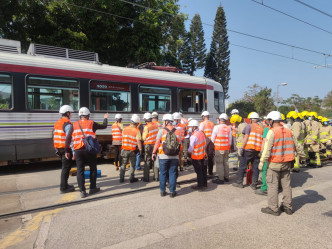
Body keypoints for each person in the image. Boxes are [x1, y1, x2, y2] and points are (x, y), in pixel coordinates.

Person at [259, 111, 305, 216]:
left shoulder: (272, 132)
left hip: (274, 164)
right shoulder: (289, 131)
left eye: (268, 120)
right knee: (286, 186)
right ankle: (287, 207)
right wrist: (302, 157)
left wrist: (262, 163)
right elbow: (298, 146)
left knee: (272, 186)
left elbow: (267, 150)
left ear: (271, 121)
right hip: (287, 164)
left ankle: (273, 208)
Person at [67, 107, 109, 198]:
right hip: (89, 150)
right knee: (93, 168)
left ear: (80, 115)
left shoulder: (74, 125)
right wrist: (105, 117)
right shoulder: (92, 123)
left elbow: (68, 139)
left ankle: (82, 191)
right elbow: (104, 126)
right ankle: (92, 188)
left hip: (78, 150)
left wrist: (67, 150)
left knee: (80, 170)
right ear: (88, 115)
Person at [232, 112, 263, 189]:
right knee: (255, 168)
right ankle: (254, 185)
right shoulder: (261, 128)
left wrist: (242, 147)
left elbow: (245, 137)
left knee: (242, 166)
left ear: (251, 120)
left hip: (248, 149)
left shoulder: (248, 126)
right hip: (257, 150)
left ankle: (240, 183)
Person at [152, 114, 181, 198]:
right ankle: (172, 192)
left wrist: (153, 153)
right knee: (172, 173)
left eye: (164, 121)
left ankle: (162, 191)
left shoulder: (162, 131)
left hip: (163, 156)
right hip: (174, 156)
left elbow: (157, 143)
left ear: (166, 121)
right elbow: (180, 145)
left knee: (163, 173)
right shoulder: (178, 131)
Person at [54, 105, 75, 194]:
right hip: (66, 149)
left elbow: (55, 137)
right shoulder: (67, 124)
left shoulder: (58, 123)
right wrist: (72, 151)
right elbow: (69, 139)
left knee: (66, 167)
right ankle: (63, 188)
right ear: (67, 113)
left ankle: (65, 184)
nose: (71, 115)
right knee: (66, 168)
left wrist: (56, 150)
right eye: (70, 113)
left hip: (59, 148)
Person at [120, 114, 142, 183]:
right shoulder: (137, 131)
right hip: (132, 150)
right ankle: (131, 178)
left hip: (124, 149)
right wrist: (141, 150)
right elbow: (138, 142)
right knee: (132, 165)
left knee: (123, 164)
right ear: (137, 123)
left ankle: (121, 178)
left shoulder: (125, 129)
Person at [211, 113, 232, 184]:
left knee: (219, 163)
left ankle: (220, 178)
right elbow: (230, 139)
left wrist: (211, 147)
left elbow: (213, 138)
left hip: (219, 148)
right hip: (226, 148)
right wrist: (229, 148)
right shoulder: (229, 128)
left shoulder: (216, 127)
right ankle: (226, 177)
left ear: (219, 119)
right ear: (226, 120)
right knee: (226, 163)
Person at [187, 119, 207, 190]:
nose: (189, 128)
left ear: (194, 127)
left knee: (198, 171)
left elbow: (191, 148)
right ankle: (205, 183)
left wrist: (188, 152)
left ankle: (200, 185)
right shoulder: (201, 133)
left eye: (190, 127)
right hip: (203, 155)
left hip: (196, 156)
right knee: (203, 170)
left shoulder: (193, 136)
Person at [255, 117, 271, 196]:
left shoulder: (267, 130)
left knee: (264, 170)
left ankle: (265, 188)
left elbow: (264, 141)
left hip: (267, 153)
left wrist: (261, 152)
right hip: (276, 154)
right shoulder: (281, 129)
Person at [142, 113, 158, 182]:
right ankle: (156, 177)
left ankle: (146, 178)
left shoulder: (146, 127)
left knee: (147, 161)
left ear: (146, 120)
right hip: (155, 145)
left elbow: (143, 137)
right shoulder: (156, 125)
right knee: (155, 160)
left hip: (148, 145)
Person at [199, 111, 215, 176]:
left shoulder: (202, 123)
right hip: (211, 142)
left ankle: (204, 172)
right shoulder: (212, 123)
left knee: (205, 156)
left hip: (205, 141)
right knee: (211, 157)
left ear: (203, 116)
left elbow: (200, 133)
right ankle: (210, 171)